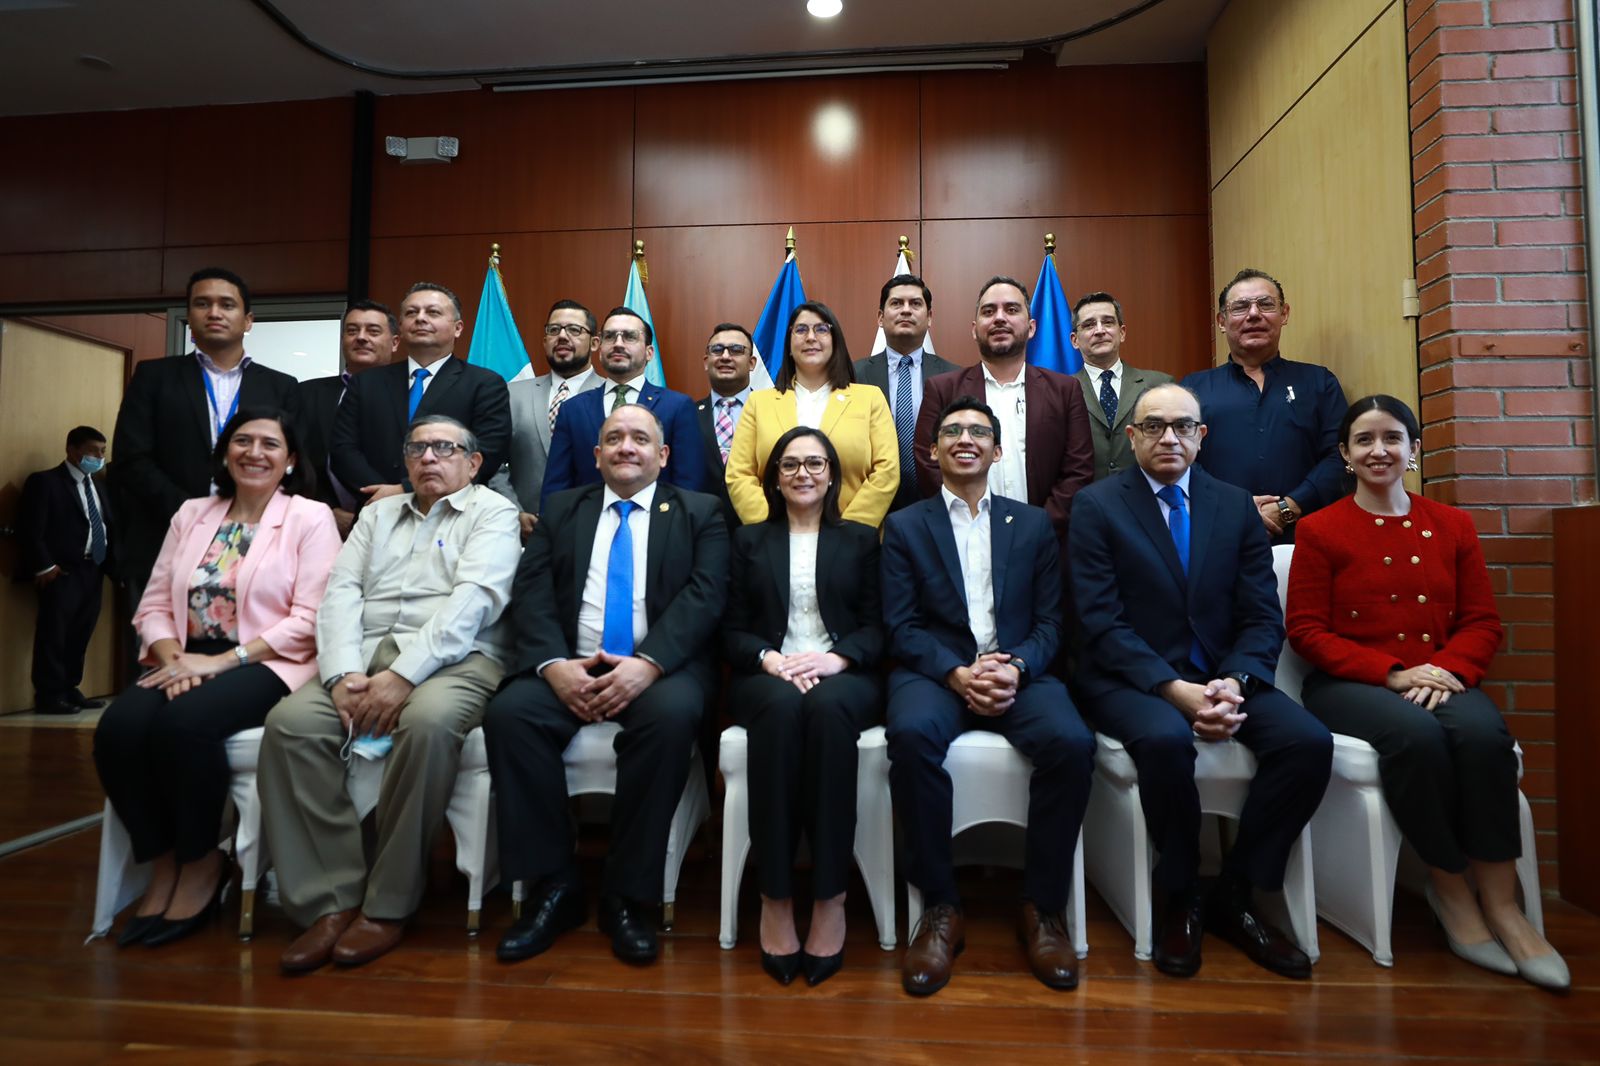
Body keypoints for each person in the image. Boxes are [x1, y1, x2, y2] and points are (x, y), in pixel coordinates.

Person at [1286, 394, 1569, 990]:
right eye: (1364, 440)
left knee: (1485, 737)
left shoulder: (1452, 525)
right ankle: (1451, 891)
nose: (1379, 450)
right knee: (1415, 738)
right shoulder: (1319, 529)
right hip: (1352, 683)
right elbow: (1307, 631)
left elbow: (1482, 622)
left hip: (1442, 674)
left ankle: (1504, 906)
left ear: (1413, 450)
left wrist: (1442, 670)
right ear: (1345, 455)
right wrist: (1393, 673)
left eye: (1392, 438)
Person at [1069, 383, 1332, 981]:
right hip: (1130, 679)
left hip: (1224, 674)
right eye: (1154, 426)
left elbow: (1262, 615)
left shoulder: (1234, 505)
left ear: (1201, 436)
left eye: (1183, 426)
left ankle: (1238, 890)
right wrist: (1173, 690)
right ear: (1131, 436)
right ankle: (1180, 892)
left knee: (1308, 743)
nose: (1169, 437)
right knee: (1165, 741)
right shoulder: (1097, 506)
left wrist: (1235, 682)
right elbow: (1099, 622)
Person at [260, 415, 520, 973]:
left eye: (445, 448)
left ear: (473, 463)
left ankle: (388, 903)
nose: (429, 458)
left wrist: (404, 675)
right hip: (362, 658)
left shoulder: (493, 513)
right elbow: (340, 593)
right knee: (290, 725)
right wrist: (340, 675)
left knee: (426, 724)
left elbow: (474, 602)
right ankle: (331, 899)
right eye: (417, 449)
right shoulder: (377, 515)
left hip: (459, 660)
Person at [487, 404, 728, 968]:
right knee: (510, 715)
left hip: (659, 669)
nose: (626, 447)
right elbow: (532, 592)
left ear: (662, 455)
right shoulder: (563, 509)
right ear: (596, 455)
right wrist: (553, 665)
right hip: (571, 663)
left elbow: (706, 595)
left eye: (640, 438)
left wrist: (649, 663)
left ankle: (627, 895)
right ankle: (555, 887)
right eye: (614, 438)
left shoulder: (699, 512)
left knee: (670, 720)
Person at [93, 408, 339, 948]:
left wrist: (220, 662)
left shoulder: (310, 517)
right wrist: (174, 658)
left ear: (291, 460)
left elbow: (311, 617)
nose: (255, 452)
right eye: (242, 441)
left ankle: (203, 860)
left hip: (266, 659)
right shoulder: (192, 513)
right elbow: (155, 603)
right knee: (118, 730)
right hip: (183, 655)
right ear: (225, 452)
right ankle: (162, 862)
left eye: (270, 444)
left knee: (184, 726)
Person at [884, 397, 1095, 997]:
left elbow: (1053, 622)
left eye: (978, 431)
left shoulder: (1031, 524)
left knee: (1071, 743)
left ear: (998, 451)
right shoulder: (905, 526)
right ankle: (939, 908)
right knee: (910, 737)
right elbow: (901, 626)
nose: (965, 439)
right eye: (951, 431)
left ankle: (1042, 906)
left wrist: (1017, 667)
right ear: (933, 452)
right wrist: (957, 673)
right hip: (936, 674)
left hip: (1018, 670)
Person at [721, 426, 883, 987]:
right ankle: (776, 897)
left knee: (828, 711)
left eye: (815, 463)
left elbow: (877, 626)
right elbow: (730, 629)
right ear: (774, 478)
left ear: (833, 475)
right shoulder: (747, 541)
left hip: (843, 675)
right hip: (766, 675)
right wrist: (768, 659)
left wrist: (837, 659)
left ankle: (831, 897)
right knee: (782, 709)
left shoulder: (860, 540)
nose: (803, 474)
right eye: (790, 464)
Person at [111, 268, 302, 598]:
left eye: (227, 305)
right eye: (202, 304)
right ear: (189, 316)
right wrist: (192, 512)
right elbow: (132, 458)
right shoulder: (154, 377)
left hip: (256, 539)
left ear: (248, 321)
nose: (214, 312)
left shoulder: (281, 386)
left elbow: (292, 462)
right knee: (160, 631)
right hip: (165, 534)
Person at [914, 276, 1094, 542]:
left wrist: (1038, 528)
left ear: (1031, 327)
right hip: (963, 539)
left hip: (1045, 542)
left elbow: (1079, 470)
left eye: (1011, 309)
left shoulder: (1065, 390)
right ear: (974, 329)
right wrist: (968, 521)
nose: (999, 318)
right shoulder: (942, 389)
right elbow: (928, 463)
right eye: (989, 311)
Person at [1182, 268, 1348, 543]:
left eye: (1266, 304)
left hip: (1307, 539)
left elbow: (1340, 456)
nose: (1254, 314)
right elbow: (1182, 461)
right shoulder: (1192, 390)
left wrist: (1289, 507)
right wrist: (1237, 509)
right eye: (1240, 307)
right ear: (1221, 321)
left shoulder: (1319, 383)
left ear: (1284, 314)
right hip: (1219, 538)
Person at [330, 282, 511, 508]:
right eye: (411, 313)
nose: (420, 318)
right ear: (401, 327)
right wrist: (381, 494)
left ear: (458, 328)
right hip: (374, 507)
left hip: (452, 512)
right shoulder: (366, 382)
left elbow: (487, 452)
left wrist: (406, 490)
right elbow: (343, 450)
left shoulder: (484, 384)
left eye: (433, 312)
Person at [726, 302, 898, 527]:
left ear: (835, 342)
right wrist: (771, 528)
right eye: (800, 330)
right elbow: (739, 474)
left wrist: (850, 531)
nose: (810, 337)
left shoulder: (870, 398)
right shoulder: (758, 403)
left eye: (821, 329)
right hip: (775, 536)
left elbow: (887, 471)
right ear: (789, 345)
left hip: (852, 536)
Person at [540, 306, 707, 507]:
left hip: (659, 522)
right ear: (599, 348)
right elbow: (556, 489)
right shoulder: (572, 409)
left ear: (649, 352)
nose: (618, 344)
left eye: (629, 337)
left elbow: (689, 487)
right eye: (610, 337)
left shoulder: (678, 407)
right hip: (587, 524)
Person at [17, 425, 114, 715]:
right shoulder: (46, 482)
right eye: (93, 451)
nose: (99, 457)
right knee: (54, 635)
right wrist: (45, 565)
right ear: (72, 450)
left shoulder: (98, 485)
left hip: (93, 569)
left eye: (102, 451)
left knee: (80, 632)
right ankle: (49, 695)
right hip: (62, 572)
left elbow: (106, 524)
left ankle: (70, 688)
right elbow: (31, 529)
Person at [493, 299, 604, 537]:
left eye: (574, 330)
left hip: (594, 532)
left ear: (595, 343)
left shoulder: (612, 396)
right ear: (545, 341)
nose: (562, 336)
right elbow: (493, 464)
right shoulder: (511, 394)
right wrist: (513, 512)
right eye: (554, 330)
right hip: (524, 534)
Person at [852, 274, 957, 512]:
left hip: (938, 503)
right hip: (869, 504)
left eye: (915, 304)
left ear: (929, 318)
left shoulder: (954, 377)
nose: (906, 310)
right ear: (880, 317)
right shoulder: (853, 375)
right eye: (897, 303)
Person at [299, 300, 399, 537]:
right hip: (318, 526)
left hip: (395, 522)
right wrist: (325, 510)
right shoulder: (305, 394)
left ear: (395, 342)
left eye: (373, 331)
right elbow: (295, 460)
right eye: (352, 330)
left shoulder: (410, 394)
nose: (361, 337)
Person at [1069, 291, 1174, 481]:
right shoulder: (1062, 391)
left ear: (1122, 332)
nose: (1099, 330)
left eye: (1108, 322)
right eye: (1089, 325)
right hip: (1086, 496)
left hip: (1147, 494)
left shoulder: (1160, 385)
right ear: (1075, 340)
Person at [695, 321, 759, 526]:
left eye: (736, 350)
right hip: (701, 528)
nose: (725, 356)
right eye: (717, 350)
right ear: (706, 361)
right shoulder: (687, 414)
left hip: (759, 527)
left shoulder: (771, 412)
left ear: (752, 363)